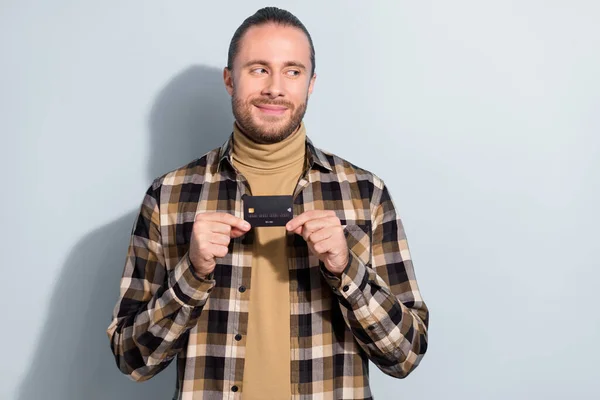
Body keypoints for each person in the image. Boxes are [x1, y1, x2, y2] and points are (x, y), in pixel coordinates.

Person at [106, 6, 429, 399]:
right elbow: (132, 358)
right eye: (258, 68)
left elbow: (406, 355)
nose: (275, 87)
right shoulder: (169, 196)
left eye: (292, 71)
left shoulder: (366, 194)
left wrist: (347, 269)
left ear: (310, 84)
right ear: (229, 80)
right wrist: (192, 272)